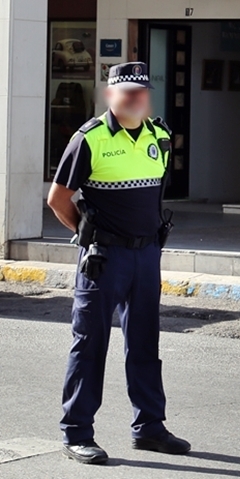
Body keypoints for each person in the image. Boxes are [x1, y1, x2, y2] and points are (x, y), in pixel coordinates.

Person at [47, 62, 189, 465]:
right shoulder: (88, 139)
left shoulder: (160, 136)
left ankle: (150, 428)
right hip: (104, 258)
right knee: (90, 344)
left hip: (146, 255)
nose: (135, 99)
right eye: (126, 92)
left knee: (145, 342)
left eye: (141, 92)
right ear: (111, 95)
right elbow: (58, 198)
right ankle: (77, 432)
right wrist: (87, 234)